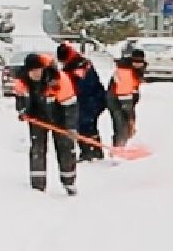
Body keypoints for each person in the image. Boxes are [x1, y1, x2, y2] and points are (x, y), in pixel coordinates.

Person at [10, 52, 78, 195]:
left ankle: (69, 182)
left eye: (37, 70)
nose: (35, 74)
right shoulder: (22, 81)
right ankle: (38, 186)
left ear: (43, 69)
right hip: (37, 118)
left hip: (60, 119)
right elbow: (20, 99)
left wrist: (71, 127)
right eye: (32, 71)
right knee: (37, 150)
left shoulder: (58, 79)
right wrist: (22, 112)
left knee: (65, 149)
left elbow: (70, 105)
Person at [58, 43, 108, 162]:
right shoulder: (78, 63)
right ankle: (94, 151)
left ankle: (89, 152)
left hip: (90, 100)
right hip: (93, 99)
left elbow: (82, 86)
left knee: (85, 126)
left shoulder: (79, 65)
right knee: (88, 127)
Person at [108, 48, 144, 147]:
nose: (138, 64)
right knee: (121, 127)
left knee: (125, 127)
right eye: (136, 61)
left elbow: (133, 91)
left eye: (140, 62)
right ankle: (119, 149)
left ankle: (121, 146)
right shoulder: (125, 72)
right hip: (116, 101)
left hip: (125, 100)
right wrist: (131, 119)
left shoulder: (135, 71)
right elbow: (125, 98)